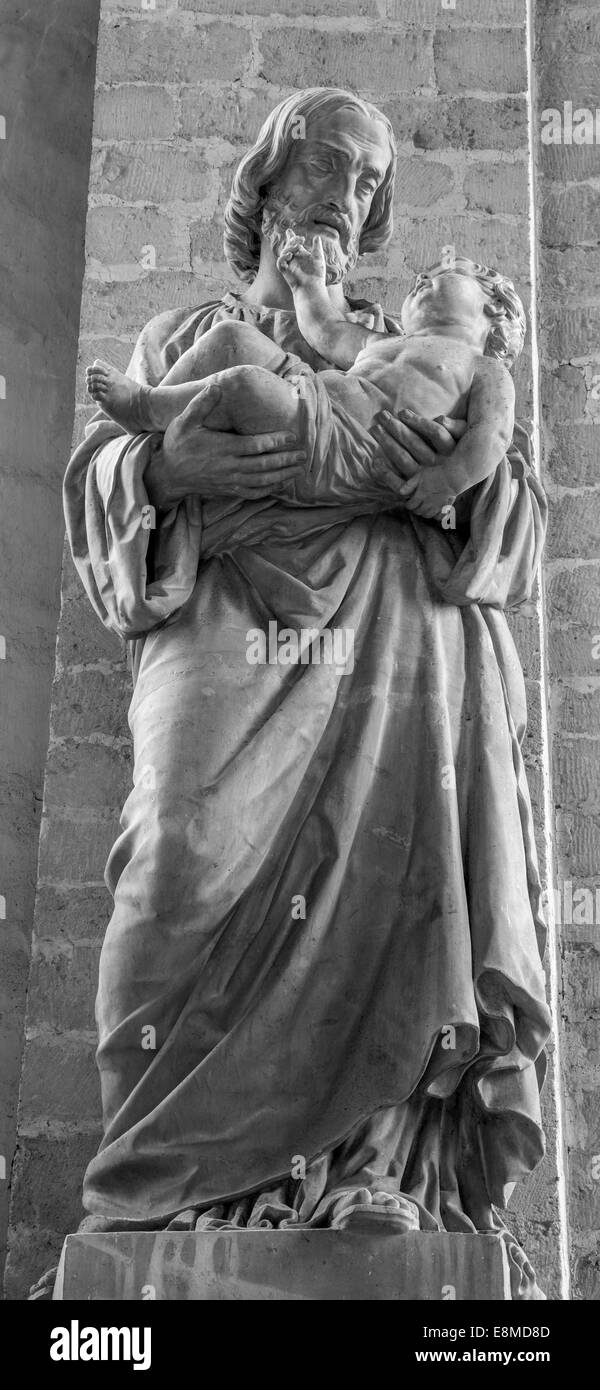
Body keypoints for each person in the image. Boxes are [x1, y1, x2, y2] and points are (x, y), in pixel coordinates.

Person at [59, 87, 550, 1301]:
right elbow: (102, 490)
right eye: (323, 166)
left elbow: (511, 521)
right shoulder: (184, 336)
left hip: (391, 642)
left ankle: (368, 1165)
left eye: (367, 181)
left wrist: (446, 486)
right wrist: (163, 461)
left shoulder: (422, 338)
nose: (342, 195)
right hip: (231, 634)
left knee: (394, 864)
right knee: (178, 855)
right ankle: (160, 1209)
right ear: (266, 185)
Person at [85, 251, 525, 523]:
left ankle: (151, 409)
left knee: (245, 386)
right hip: (310, 394)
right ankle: (148, 408)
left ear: (495, 308)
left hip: (336, 446)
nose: (419, 281)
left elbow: (493, 435)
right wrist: (309, 284)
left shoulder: (486, 370)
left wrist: (449, 480)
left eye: (445, 272)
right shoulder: (387, 341)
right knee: (231, 339)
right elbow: (327, 331)